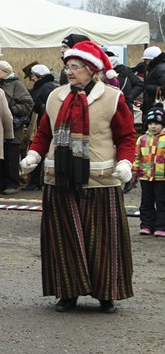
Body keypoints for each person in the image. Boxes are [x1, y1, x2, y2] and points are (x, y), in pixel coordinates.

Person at [20, 41, 135, 313]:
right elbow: (44, 134)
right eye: (68, 66)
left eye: (76, 67)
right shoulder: (55, 97)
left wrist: (126, 162)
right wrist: (34, 155)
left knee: (103, 240)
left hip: (100, 178)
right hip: (58, 177)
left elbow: (126, 136)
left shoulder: (112, 98)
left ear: (91, 69)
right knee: (64, 238)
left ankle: (106, 294)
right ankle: (67, 293)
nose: (69, 72)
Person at [0, 60, 33, 194]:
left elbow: (28, 103)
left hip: (13, 128)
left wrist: (10, 109)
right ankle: (0, 184)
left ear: (6, 72)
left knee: (11, 157)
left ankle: (13, 184)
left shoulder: (17, 85)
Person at [24, 64, 58, 191]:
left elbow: (49, 107)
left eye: (32, 76)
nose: (31, 79)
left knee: (41, 150)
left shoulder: (46, 87)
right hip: (42, 122)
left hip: (44, 123)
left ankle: (37, 180)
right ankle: (36, 180)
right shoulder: (45, 87)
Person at [132, 108, 165, 236]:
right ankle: (146, 225)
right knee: (146, 202)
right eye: (150, 123)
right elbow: (137, 157)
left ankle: (161, 226)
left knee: (162, 202)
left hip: (161, 178)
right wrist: (134, 173)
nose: (153, 126)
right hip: (146, 177)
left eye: (156, 124)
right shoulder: (142, 139)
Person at [142, 46, 165, 119]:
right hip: (153, 103)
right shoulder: (156, 67)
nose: (146, 62)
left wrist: (150, 88)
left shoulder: (160, 69)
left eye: (146, 59)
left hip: (156, 105)